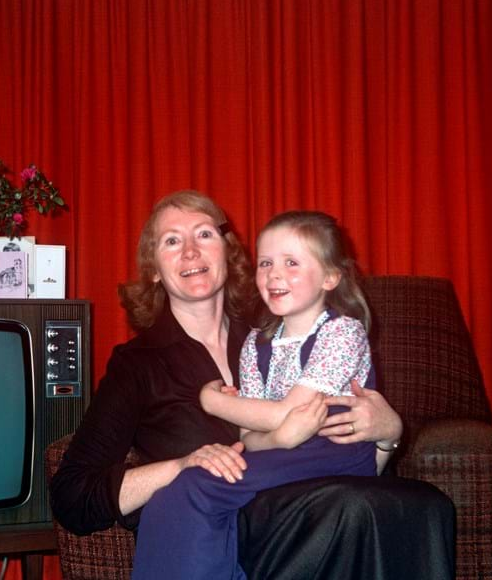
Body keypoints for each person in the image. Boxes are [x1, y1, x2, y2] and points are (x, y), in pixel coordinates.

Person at [49, 190, 455, 580]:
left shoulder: (272, 337)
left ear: (229, 252)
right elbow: (73, 496)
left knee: (401, 506)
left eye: (204, 234)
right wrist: (181, 466)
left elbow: (352, 462)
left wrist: (390, 434)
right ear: (153, 268)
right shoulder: (137, 364)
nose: (190, 251)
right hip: (219, 538)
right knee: (353, 512)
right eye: (172, 241)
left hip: (313, 513)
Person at [132, 210, 380, 578]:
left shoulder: (343, 333)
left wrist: (213, 401)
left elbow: (291, 412)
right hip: (287, 451)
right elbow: (250, 437)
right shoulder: (256, 343)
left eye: (291, 262)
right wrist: (279, 436)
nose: (274, 274)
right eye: (265, 263)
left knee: (201, 485)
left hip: (338, 453)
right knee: (169, 495)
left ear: (330, 277)